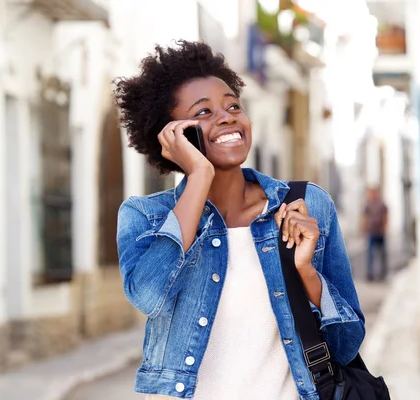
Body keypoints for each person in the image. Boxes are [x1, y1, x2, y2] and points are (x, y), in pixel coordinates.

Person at [114, 40, 365, 400]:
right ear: (172, 134)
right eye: (203, 113)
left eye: (233, 105)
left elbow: (347, 346)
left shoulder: (305, 206)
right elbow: (149, 298)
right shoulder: (146, 216)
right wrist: (199, 176)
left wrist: (307, 273)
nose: (228, 116)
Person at [361, 187, 389, 282]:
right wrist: (363, 228)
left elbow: (386, 216)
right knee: (370, 254)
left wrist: (385, 228)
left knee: (382, 254)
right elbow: (364, 217)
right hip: (371, 232)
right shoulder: (367, 204)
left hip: (380, 232)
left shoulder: (381, 204)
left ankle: (383, 273)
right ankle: (370, 274)